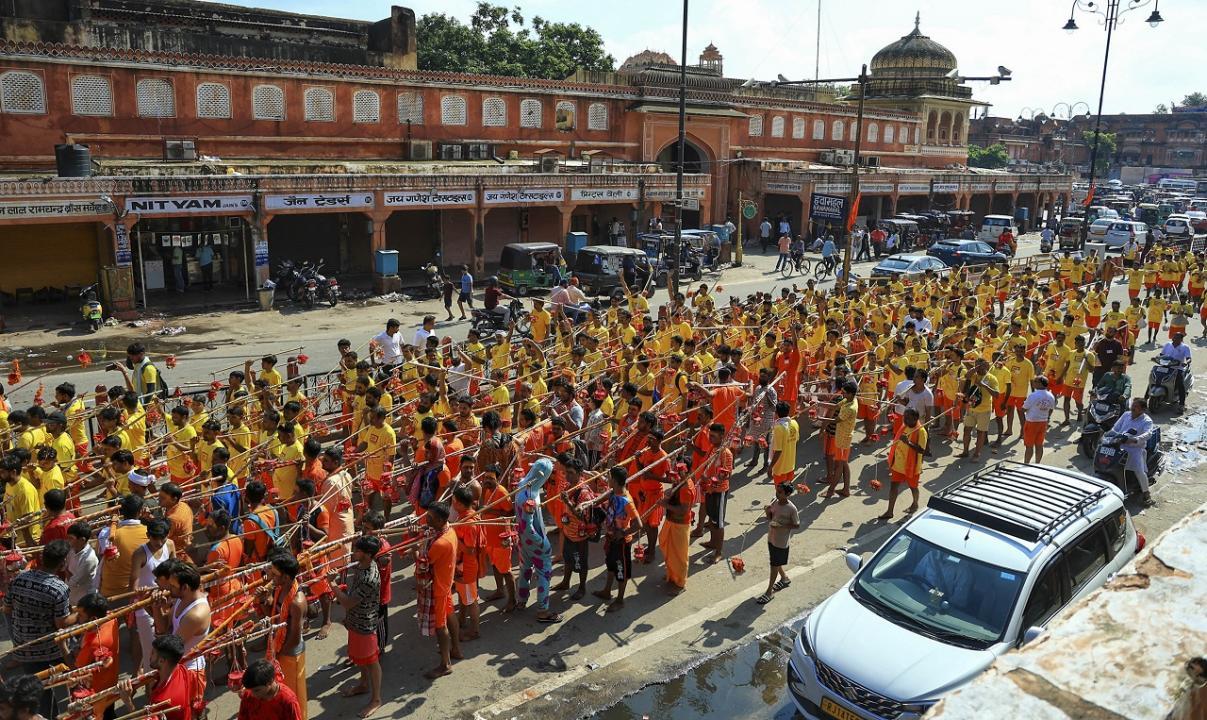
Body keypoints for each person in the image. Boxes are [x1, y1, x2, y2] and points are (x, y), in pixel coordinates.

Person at [5, 539, 74, 717]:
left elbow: (8, 608)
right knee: (67, 687)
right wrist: (80, 614)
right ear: (63, 562)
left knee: (39, 693)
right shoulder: (59, 588)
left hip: (24, 647)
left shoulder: (19, 578)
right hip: (50, 649)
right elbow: (62, 624)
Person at [332, 534, 382, 717]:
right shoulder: (362, 565)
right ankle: (363, 683)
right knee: (360, 658)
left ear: (368, 554)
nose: (354, 552)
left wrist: (333, 586)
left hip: (365, 624)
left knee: (371, 661)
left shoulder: (370, 576)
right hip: (355, 621)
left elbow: (347, 602)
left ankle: (376, 699)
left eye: (358, 550)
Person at [416, 500, 462, 678]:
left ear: (441, 520)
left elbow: (423, 564)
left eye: (430, 518)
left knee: (440, 626)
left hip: (438, 588)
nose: (426, 519)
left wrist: (415, 548)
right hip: (445, 583)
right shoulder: (449, 530)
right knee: (450, 615)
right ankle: (456, 649)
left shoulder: (441, 543)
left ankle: (446, 664)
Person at [593, 465, 641, 613]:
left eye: (608, 478)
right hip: (611, 538)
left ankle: (620, 600)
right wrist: (593, 502)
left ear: (613, 480)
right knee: (610, 565)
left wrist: (624, 532)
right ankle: (607, 591)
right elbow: (606, 496)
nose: (607, 480)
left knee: (621, 571)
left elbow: (638, 524)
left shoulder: (627, 501)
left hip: (621, 542)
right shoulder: (614, 492)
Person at [72, 591, 119, 720]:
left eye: (80, 615)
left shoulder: (93, 645)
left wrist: (62, 645)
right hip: (110, 684)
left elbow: (75, 670)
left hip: (95, 694)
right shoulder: (111, 618)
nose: (77, 618)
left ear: (93, 619)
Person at [880, 407, 927, 521]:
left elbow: (922, 450)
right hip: (898, 464)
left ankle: (915, 503)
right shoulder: (904, 426)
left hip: (911, 466)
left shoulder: (921, 431)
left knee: (913, 487)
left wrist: (908, 442)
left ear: (916, 418)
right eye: (904, 417)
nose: (905, 420)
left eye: (908, 418)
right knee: (893, 486)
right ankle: (890, 511)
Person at [756, 482, 799, 605]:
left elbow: (796, 525)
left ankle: (769, 592)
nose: (777, 494)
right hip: (772, 538)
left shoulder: (791, 509)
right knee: (775, 561)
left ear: (788, 494)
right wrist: (767, 511)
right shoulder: (774, 502)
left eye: (780, 492)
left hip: (781, 542)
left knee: (774, 565)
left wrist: (782, 525)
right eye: (777, 491)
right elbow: (770, 518)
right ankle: (784, 578)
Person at [1109, 398, 1156, 506]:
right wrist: (1108, 435)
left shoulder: (1147, 421)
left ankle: (1146, 494)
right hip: (1119, 444)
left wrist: (1135, 439)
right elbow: (1116, 428)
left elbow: (1148, 434)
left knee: (1139, 471)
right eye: (1132, 405)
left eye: (1136, 407)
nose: (1132, 408)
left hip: (1135, 449)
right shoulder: (1126, 414)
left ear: (1142, 410)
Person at [237, 659, 303, 720]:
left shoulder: (288, 701)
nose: (253, 694)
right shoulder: (248, 695)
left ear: (270, 682)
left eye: (257, 690)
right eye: (251, 690)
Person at [1022, 376, 1057, 463]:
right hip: (1043, 422)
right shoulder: (1051, 396)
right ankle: (1037, 463)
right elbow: (1051, 408)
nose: (1033, 382)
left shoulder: (1033, 396)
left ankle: (1026, 464)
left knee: (1029, 446)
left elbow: (1024, 408)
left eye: (1035, 381)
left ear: (1040, 384)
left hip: (1031, 423)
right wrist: (1047, 416)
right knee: (1039, 445)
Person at [65, 520, 99, 605]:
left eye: (71, 538)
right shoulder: (72, 550)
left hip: (84, 600)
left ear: (82, 540)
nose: (68, 541)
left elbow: (73, 582)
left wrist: (65, 570)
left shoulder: (89, 559)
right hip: (71, 596)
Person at [768, 401, 799, 486]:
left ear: (776, 413)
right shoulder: (794, 423)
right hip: (791, 465)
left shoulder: (779, 428)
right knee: (787, 489)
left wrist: (770, 467)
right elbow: (796, 440)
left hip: (780, 468)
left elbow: (778, 451)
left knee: (780, 491)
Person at [1159, 332, 1191, 410]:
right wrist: (1158, 358)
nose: (1175, 339)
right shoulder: (1167, 345)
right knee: (1155, 377)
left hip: (1178, 368)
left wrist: (1186, 362)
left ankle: (1182, 404)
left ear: (1181, 339)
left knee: (1180, 383)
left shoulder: (1185, 347)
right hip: (1165, 366)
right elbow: (1161, 355)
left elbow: (1188, 358)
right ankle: (1145, 398)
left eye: (1177, 337)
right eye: (1174, 337)